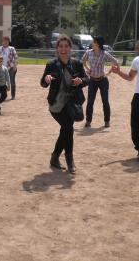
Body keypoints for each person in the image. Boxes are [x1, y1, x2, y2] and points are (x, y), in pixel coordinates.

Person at [40, 35, 88, 174]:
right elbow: (42, 83)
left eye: (66, 46)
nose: (63, 49)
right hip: (56, 104)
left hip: (72, 104)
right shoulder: (51, 65)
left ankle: (55, 157)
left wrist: (81, 81)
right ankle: (69, 160)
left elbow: (86, 79)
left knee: (66, 129)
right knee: (67, 128)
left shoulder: (77, 63)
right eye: (60, 46)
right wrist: (46, 79)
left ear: (70, 48)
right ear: (57, 49)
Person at [82, 36, 118, 128]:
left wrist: (108, 73)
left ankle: (107, 121)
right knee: (90, 101)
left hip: (103, 80)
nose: (92, 43)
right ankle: (88, 121)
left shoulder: (104, 53)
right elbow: (83, 61)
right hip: (92, 81)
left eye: (93, 41)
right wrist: (87, 69)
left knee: (105, 101)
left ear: (97, 44)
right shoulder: (88, 52)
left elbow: (115, 62)